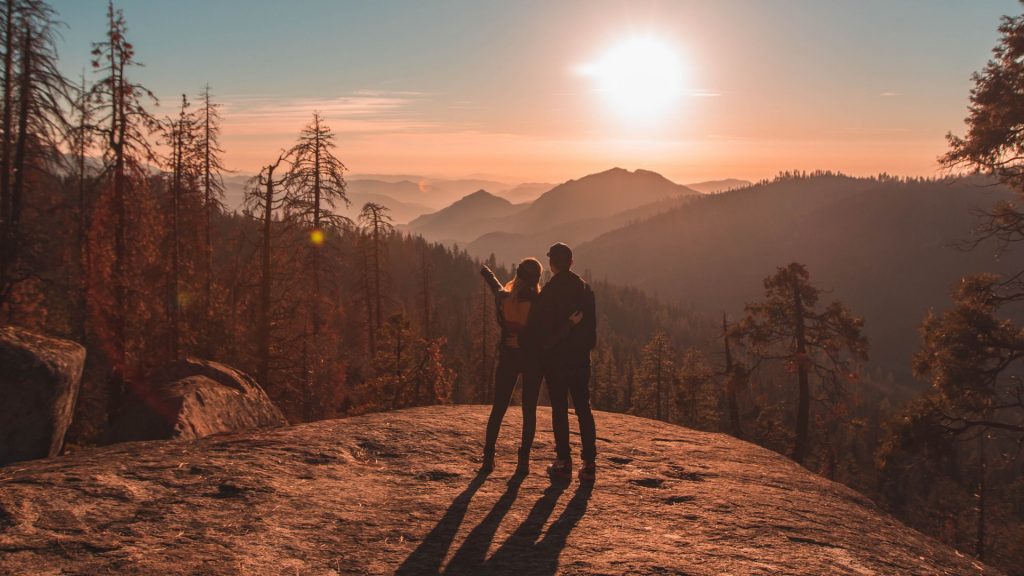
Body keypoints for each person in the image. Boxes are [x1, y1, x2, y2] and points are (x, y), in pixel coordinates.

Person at [535, 242, 598, 483]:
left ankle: (563, 463)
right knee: (584, 409)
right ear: (571, 263)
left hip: (557, 362)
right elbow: (592, 331)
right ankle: (589, 464)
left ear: (551, 264)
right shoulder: (585, 289)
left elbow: (545, 336)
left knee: (560, 410)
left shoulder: (549, 293)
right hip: (581, 360)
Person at [478, 258, 544, 475]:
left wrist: (487, 274)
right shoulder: (539, 303)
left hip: (509, 357)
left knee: (499, 408)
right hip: (532, 360)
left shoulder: (505, 299)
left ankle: (488, 457)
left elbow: (496, 287)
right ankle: (523, 460)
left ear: (518, 277)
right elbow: (540, 333)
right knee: (529, 410)